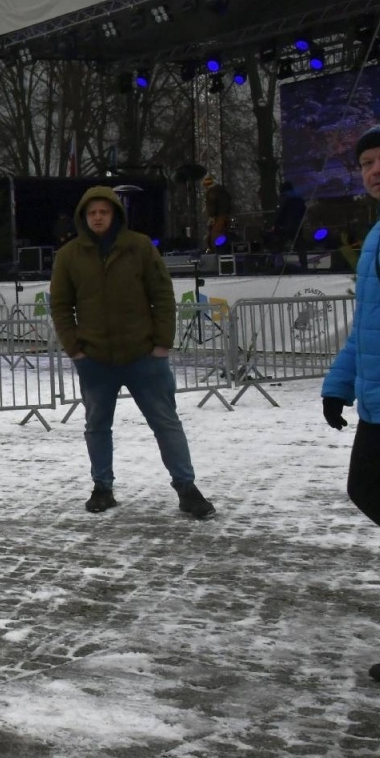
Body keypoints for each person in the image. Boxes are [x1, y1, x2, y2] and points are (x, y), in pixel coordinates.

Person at [50, 186, 216, 519]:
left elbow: (163, 296)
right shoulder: (68, 255)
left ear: (115, 214)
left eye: (104, 211)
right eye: (92, 212)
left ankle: (187, 489)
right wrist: (75, 347)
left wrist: (162, 343)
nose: (98, 217)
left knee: (166, 423)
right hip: (94, 359)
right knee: (97, 427)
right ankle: (102, 488)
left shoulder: (139, 247)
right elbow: (60, 305)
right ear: (84, 217)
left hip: (144, 357)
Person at [322, 120, 380, 687]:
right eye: (367, 162)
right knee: (370, 491)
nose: (376, 170)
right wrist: (339, 382)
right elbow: (370, 326)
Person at [203, 175, 234, 252]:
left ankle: (217, 251)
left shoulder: (211, 192)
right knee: (224, 234)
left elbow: (211, 207)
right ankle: (225, 250)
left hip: (219, 217)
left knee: (215, 234)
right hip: (226, 216)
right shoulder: (222, 190)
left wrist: (211, 216)